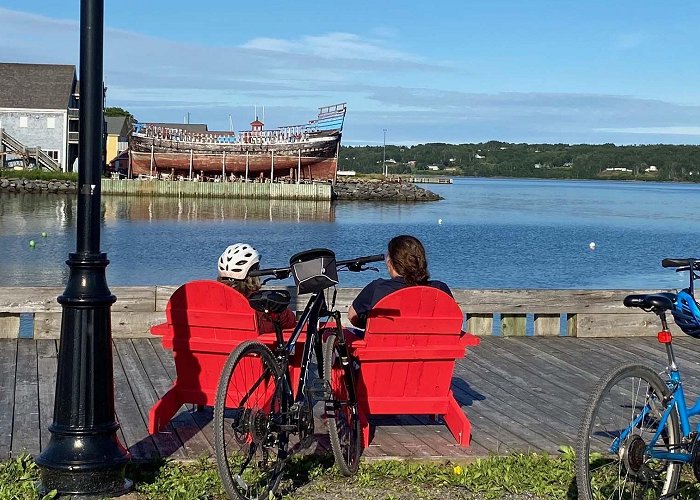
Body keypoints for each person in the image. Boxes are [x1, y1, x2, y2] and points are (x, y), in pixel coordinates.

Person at [348, 235, 452, 329]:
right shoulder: (440, 289)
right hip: (431, 347)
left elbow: (353, 316)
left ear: (391, 263)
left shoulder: (378, 288)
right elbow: (452, 320)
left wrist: (371, 323)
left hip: (384, 346)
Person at [217, 243, 296, 333]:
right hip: (249, 345)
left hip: (210, 344)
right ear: (254, 274)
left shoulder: (211, 298)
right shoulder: (258, 303)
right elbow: (290, 322)